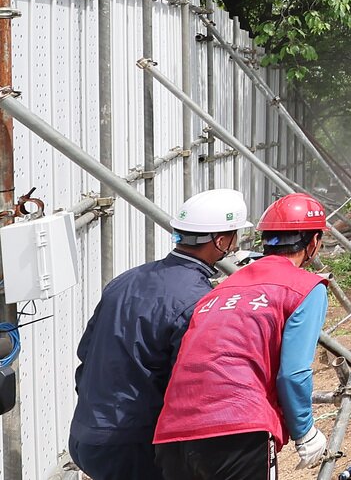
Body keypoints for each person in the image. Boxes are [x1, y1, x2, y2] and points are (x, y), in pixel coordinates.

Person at [69, 188, 251, 480]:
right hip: (132, 445)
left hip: (86, 435)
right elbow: (191, 384)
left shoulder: (125, 281)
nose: (234, 244)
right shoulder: (197, 299)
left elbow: (86, 354)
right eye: (233, 236)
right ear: (220, 241)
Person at [154, 193, 331, 479]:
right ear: (313, 242)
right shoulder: (305, 287)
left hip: (174, 433)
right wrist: (305, 431)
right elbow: (293, 373)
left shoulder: (222, 288)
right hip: (237, 430)